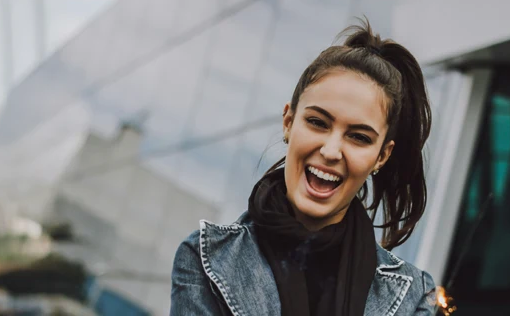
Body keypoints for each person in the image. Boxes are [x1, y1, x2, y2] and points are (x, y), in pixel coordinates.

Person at [170, 19, 438, 316]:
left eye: (359, 137)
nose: (331, 150)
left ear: (381, 156)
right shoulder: (207, 260)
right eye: (318, 123)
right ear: (288, 122)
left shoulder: (415, 298)